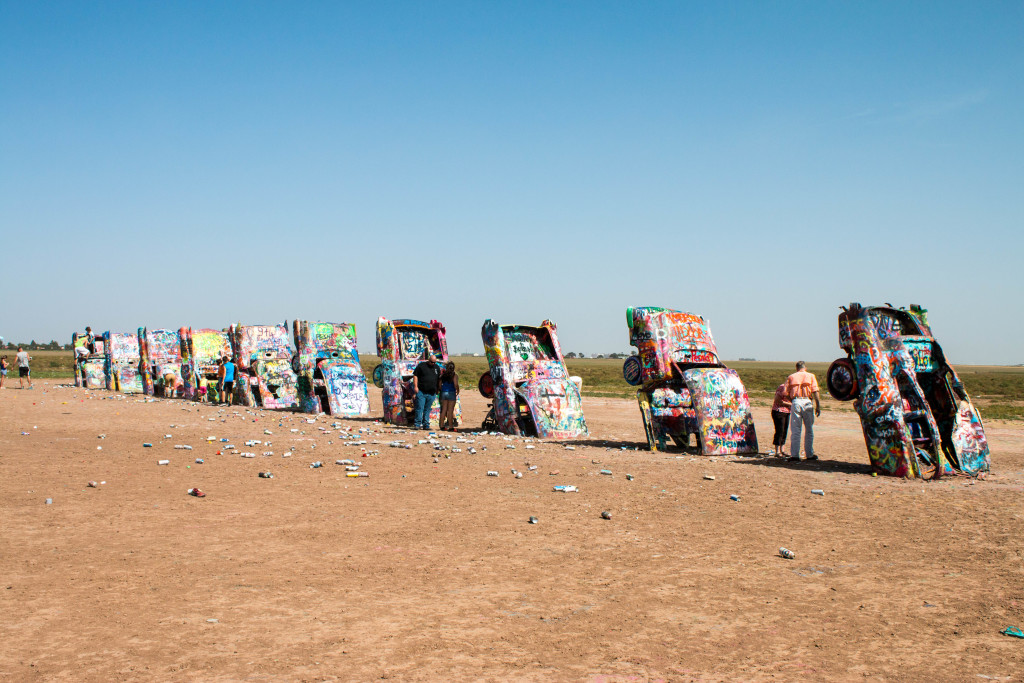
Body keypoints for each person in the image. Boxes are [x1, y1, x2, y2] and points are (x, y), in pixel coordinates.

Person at [786, 361, 820, 461]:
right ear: (805, 368)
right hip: (807, 401)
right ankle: (809, 454)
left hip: (796, 401)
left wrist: (792, 399)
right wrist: (818, 405)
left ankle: (795, 455)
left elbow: (785, 391)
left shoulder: (791, 377)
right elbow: (815, 391)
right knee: (809, 429)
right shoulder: (811, 376)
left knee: (796, 430)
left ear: (796, 368)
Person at [412, 351, 441, 429]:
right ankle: (417, 424)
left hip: (432, 393)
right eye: (432, 362)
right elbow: (415, 376)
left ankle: (426, 425)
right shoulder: (421, 366)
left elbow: (438, 379)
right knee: (419, 408)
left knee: (427, 409)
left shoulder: (437, 368)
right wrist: (415, 387)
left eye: (435, 362)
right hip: (421, 391)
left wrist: (438, 389)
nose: (433, 364)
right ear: (429, 360)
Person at [770, 382, 791, 457]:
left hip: (787, 411)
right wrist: (791, 404)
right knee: (780, 430)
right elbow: (777, 400)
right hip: (779, 411)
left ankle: (782, 449)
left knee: (785, 430)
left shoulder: (791, 388)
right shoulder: (783, 388)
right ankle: (777, 450)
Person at [438, 361, 460, 431]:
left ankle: (441, 426)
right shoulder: (454, 375)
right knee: (450, 410)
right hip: (451, 392)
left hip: (444, 392)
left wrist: (442, 389)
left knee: (444, 409)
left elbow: (439, 384)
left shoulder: (443, 375)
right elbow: (455, 384)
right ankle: (451, 427)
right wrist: (457, 390)